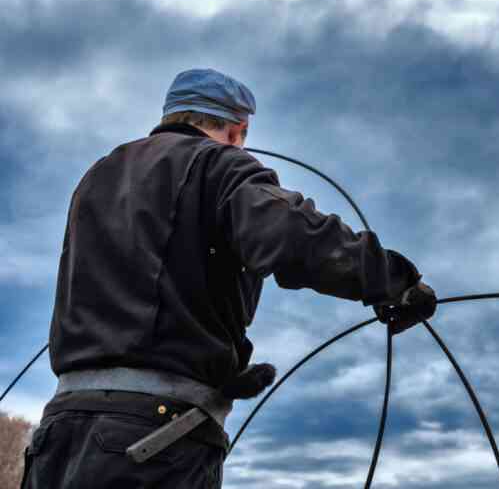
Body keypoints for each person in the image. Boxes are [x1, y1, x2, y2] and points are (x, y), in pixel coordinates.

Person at [20, 68, 436, 488]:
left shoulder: (97, 176)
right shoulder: (221, 165)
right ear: (237, 129)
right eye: (243, 135)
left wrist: (222, 378)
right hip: (151, 443)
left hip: (57, 437)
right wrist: (397, 282)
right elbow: (293, 236)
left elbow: (147, 293)